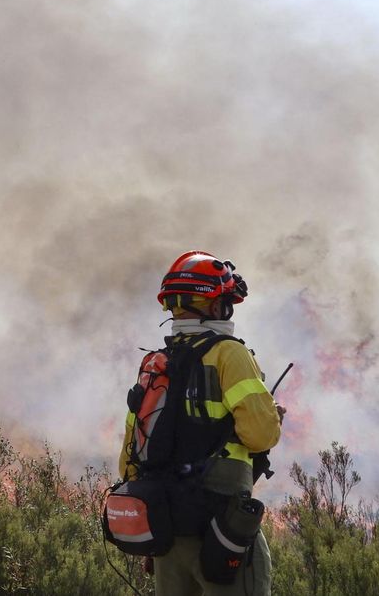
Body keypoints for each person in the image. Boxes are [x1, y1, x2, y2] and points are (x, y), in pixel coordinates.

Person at [118, 251, 283, 595]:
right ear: (215, 306)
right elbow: (259, 435)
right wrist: (271, 416)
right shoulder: (229, 354)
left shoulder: (155, 363)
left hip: (166, 529)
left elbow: (130, 455)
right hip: (221, 526)